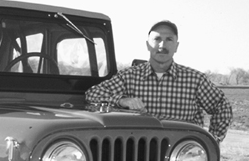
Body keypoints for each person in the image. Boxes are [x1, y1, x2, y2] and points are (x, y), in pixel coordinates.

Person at [85, 20, 232, 143]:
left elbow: (222, 106)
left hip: (181, 158)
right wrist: (122, 101)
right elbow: (92, 95)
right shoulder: (129, 76)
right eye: (157, 39)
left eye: (169, 40)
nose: (162, 45)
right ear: (148, 45)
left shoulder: (195, 80)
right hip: (138, 151)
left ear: (176, 46)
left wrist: (211, 141)